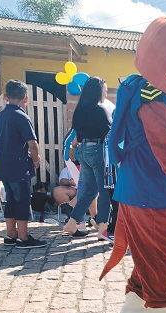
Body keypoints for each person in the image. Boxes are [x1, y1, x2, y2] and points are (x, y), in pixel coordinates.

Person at [0, 79, 45, 248]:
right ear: (26, 99)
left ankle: (11, 234)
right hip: (18, 166)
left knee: (11, 200)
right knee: (22, 200)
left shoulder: (2, 115)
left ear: (6, 97)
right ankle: (23, 237)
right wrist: (36, 160)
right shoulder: (22, 117)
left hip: (3, 165)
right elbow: (32, 143)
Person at [62, 76, 111, 241]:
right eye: (105, 90)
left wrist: (73, 148)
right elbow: (109, 133)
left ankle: (71, 223)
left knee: (90, 191)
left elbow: (78, 134)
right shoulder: (100, 110)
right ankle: (103, 229)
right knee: (104, 191)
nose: (106, 94)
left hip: (83, 151)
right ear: (98, 91)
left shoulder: (80, 110)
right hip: (98, 151)